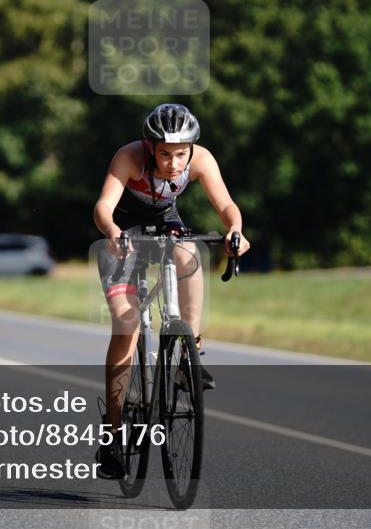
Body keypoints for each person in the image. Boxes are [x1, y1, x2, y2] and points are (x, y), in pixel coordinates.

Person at [92, 103, 250, 478]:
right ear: (150, 147)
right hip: (124, 231)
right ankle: (113, 436)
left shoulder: (201, 158)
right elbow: (103, 206)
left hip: (165, 223)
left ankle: (187, 350)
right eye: (165, 154)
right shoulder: (129, 157)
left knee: (189, 252)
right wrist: (112, 233)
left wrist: (235, 230)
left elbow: (226, 205)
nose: (174, 163)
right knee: (127, 326)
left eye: (181, 154)